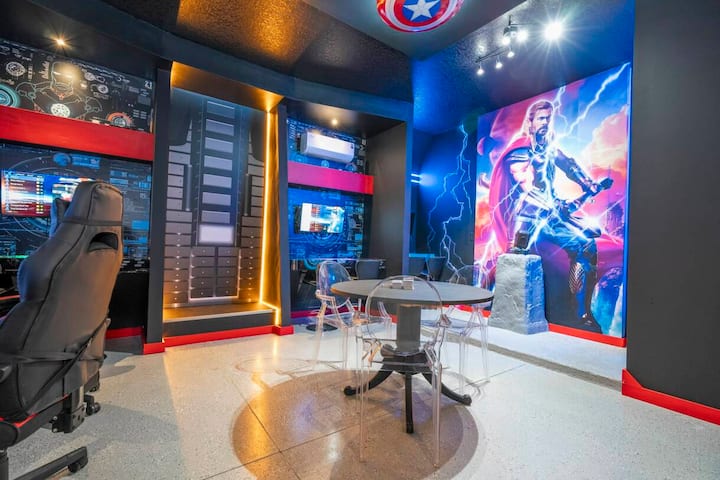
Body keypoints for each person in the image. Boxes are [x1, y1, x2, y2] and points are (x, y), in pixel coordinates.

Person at [488, 99, 608, 330]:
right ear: (531, 122)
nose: (545, 122)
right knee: (514, 259)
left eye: (548, 119)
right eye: (541, 118)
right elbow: (526, 182)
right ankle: (492, 302)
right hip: (528, 218)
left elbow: (570, 166)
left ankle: (581, 314)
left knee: (585, 246)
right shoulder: (520, 151)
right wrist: (558, 204)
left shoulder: (550, 150)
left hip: (550, 216)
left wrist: (589, 184)